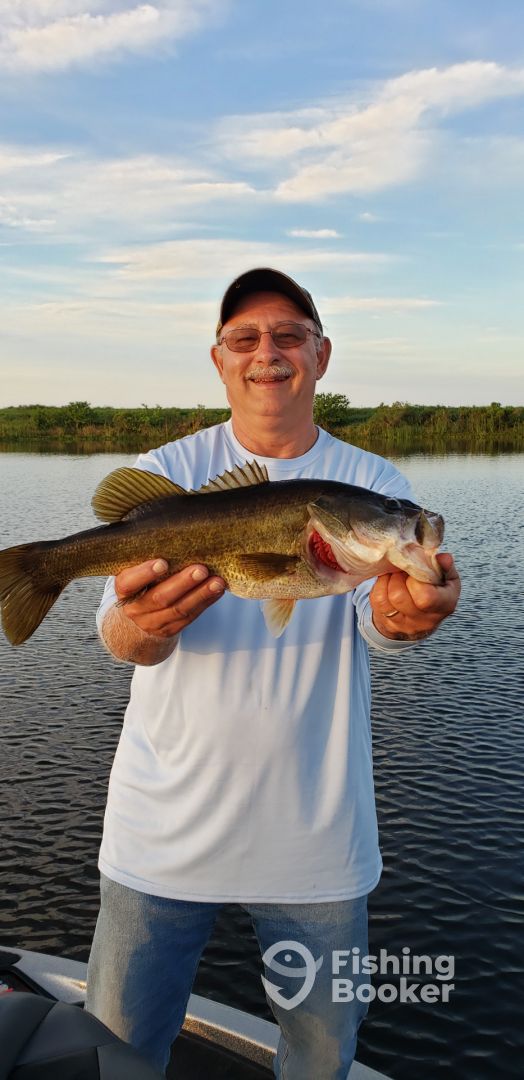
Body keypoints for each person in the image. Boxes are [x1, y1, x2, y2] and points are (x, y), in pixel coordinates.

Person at [85, 267, 460, 1079]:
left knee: (321, 1061)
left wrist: (407, 617)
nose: (269, 353)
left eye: (290, 335)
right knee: (117, 1055)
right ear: (219, 360)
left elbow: (380, 622)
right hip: (161, 833)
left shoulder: (374, 486)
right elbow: (117, 634)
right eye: (246, 338)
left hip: (316, 845)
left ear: (321, 355)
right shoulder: (169, 470)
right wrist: (144, 629)